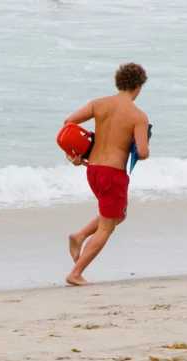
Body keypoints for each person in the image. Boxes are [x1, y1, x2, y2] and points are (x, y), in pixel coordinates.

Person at [63, 62, 150, 286]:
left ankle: (80, 235)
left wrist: (72, 154)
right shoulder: (138, 116)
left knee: (118, 215)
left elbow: (68, 123)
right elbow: (142, 152)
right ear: (139, 86)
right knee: (107, 227)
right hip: (113, 174)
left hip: (93, 170)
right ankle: (76, 273)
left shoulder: (98, 104)